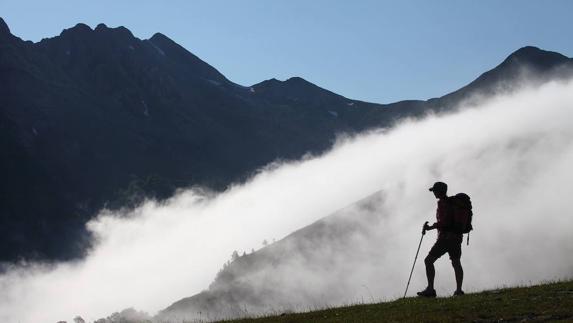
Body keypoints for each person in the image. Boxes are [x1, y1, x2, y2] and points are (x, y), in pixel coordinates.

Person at [417, 181, 465, 297]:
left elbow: (444, 222)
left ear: (439, 191)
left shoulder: (443, 204)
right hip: (456, 237)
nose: (433, 193)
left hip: (445, 238)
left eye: (434, 190)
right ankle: (459, 290)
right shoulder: (453, 203)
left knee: (428, 261)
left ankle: (430, 289)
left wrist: (430, 227)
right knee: (456, 262)